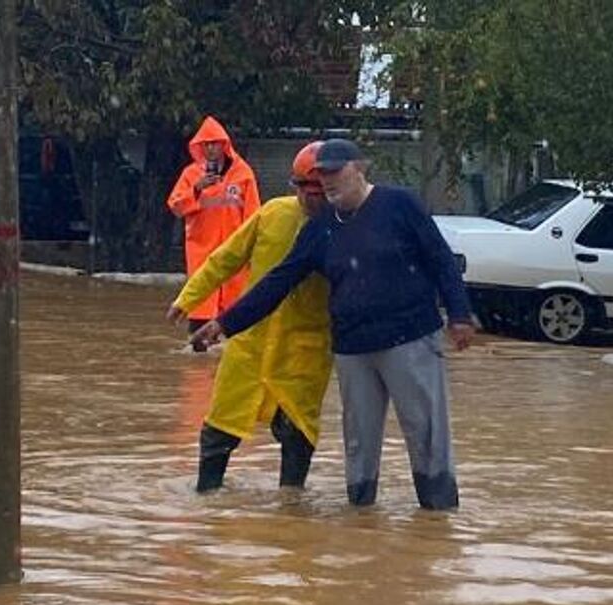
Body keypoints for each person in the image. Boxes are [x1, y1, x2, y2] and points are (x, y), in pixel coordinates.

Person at [192, 139, 477, 510]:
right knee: (359, 441)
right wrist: (224, 324)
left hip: (409, 339)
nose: (326, 181)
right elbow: (280, 281)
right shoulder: (320, 228)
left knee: (426, 432)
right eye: (320, 175)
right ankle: (361, 517)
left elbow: (440, 260)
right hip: (352, 349)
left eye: (334, 172)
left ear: (360, 169)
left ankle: (438, 516)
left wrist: (459, 314)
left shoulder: (399, 204)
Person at [169, 143, 335, 492]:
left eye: (322, 192)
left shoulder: (344, 227)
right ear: (295, 187)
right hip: (250, 343)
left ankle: (291, 507)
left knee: (297, 433)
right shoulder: (273, 214)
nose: (314, 200)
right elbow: (225, 259)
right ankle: (207, 497)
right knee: (220, 428)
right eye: (307, 190)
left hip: (304, 351)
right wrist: (189, 298)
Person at [166, 116, 260, 330]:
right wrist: (196, 190)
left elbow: (254, 215)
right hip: (202, 252)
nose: (210, 149)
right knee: (200, 307)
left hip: (234, 252)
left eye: (214, 143)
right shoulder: (190, 175)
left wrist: (253, 251)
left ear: (224, 145)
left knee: (233, 313)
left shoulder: (243, 174)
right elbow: (175, 207)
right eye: (205, 144)